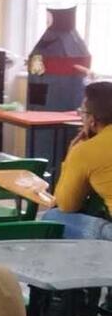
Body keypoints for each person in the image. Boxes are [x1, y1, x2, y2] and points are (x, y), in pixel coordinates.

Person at [43, 81, 112, 239]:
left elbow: (66, 205)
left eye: (82, 112)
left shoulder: (86, 150)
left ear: (92, 120)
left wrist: (71, 156)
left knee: (52, 218)